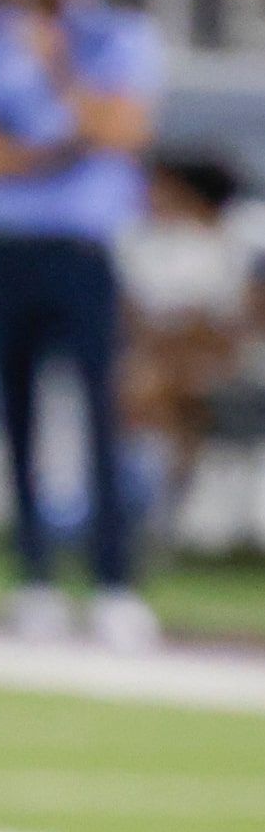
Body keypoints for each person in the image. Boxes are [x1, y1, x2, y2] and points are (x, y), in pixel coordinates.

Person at [0, 0, 160, 648]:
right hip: (8, 248)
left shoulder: (116, 38)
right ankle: (32, 576)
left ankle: (110, 581)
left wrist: (58, 71)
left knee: (102, 412)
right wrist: (67, 146)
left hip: (84, 249)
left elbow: (122, 131)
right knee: (15, 415)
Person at [117, 150, 259, 550]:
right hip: (171, 368)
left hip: (242, 370)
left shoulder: (245, 237)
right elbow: (132, 318)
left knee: (154, 390)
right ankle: (146, 510)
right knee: (145, 389)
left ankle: (152, 516)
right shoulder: (153, 243)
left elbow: (243, 321)